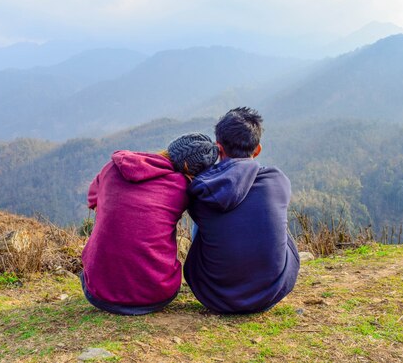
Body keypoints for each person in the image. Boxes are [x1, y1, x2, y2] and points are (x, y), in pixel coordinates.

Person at [81, 133, 218, 315]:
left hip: (98, 292)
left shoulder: (113, 167)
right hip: (156, 294)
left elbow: (92, 201)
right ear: (189, 169)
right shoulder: (182, 187)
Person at [183, 107, 300, 314]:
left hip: (213, 296)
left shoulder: (201, 189)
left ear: (218, 148)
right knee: (274, 218)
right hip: (269, 294)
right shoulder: (278, 180)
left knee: (204, 222)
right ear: (257, 150)